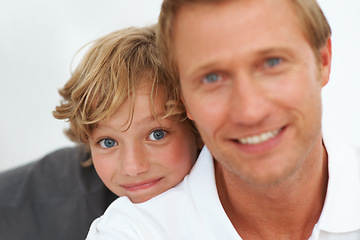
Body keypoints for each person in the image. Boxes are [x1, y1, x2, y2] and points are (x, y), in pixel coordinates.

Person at [86, 0, 360, 239]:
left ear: (323, 61)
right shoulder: (132, 232)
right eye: (212, 78)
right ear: (184, 100)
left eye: (273, 63)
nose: (250, 111)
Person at [0, 25, 200, 240]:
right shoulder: (53, 203)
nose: (132, 168)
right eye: (107, 142)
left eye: (156, 135)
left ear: (199, 129)